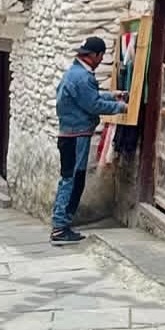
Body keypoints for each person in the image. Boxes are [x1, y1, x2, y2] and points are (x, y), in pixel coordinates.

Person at [51, 36, 127, 245]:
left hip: (69, 135)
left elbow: (89, 97)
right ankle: (60, 226)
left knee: (68, 177)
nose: (101, 60)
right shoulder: (83, 77)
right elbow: (93, 105)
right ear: (94, 55)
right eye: (100, 56)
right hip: (76, 136)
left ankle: (60, 223)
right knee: (73, 179)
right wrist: (120, 107)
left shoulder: (74, 74)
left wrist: (112, 96)